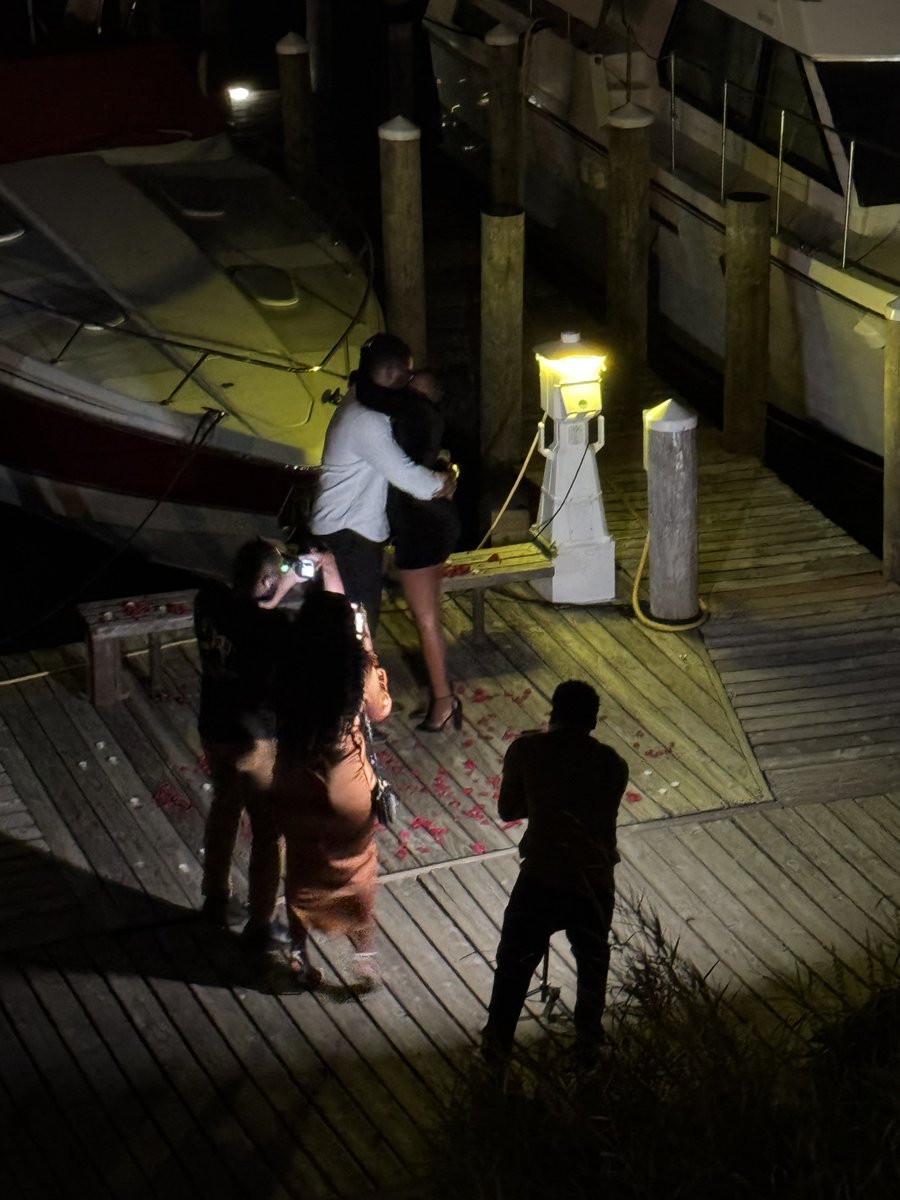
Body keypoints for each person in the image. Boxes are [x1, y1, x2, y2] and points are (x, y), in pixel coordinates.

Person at [195, 536, 342, 950]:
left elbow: (239, 610)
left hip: (214, 728)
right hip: (255, 739)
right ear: (263, 580)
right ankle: (261, 923)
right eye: (277, 573)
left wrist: (272, 586)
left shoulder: (206, 601)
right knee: (267, 828)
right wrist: (287, 594)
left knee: (224, 805)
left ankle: (216, 898)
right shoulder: (272, 627)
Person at [482, 680, 629, 1065]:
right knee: (592, 961)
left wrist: (543, 794)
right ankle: (588, 1042)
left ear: (554, 714)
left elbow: (508, 809)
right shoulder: (613, 765)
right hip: (591, 877)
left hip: (543, 875)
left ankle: (497, 1043)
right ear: (593, 722)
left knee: (514, 962)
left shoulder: (528, 750)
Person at [271, 591, 392, 990]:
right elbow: (380, 709)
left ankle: (298, 957)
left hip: (297, 780)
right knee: (356, 867)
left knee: (302, 865)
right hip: (347, 788)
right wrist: (367, 646)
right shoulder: (355, 669)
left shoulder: (287, 666)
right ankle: (363, 959)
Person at [311, 332, 457, 637]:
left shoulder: (358, 402)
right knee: (359, 631)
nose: (411, 379)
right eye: (409, 372)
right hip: (348, 537)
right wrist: (444, 480)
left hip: (344, 533)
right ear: (393, 373)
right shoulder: (366, 420)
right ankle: (357, 683)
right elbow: (412, 481)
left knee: (347, 628)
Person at [387, 367, 462, 732]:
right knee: (431, 612)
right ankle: (444, 694)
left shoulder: (410, 419)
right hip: (439, 520)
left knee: (426, 618)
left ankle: (443, 701)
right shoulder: (430, 423)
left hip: (419, 524)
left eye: (415, 382)